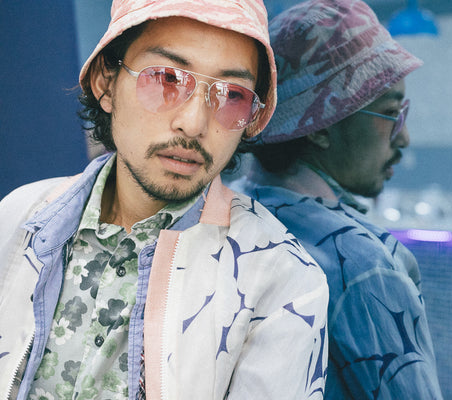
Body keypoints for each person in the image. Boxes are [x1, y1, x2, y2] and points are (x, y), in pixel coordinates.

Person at [0, 1, 329, 399]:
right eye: (166, 78)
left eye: (232, 96)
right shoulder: (19, 217)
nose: (193, 123)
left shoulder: (281, 280)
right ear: (106, 82)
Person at [231, 0, 443, 398]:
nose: (404, 138)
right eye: (391, 113)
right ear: (320, 124)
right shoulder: (363, 268)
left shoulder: (231, 215)